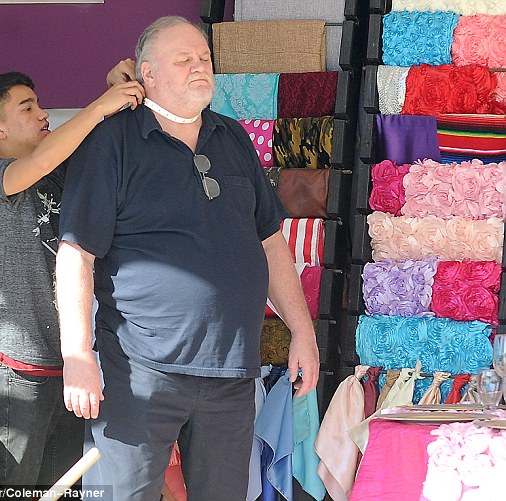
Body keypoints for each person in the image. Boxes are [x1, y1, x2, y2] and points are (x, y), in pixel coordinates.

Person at [55, 15, 320, 501]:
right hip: (139, 370)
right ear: (148, 74)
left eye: (204, 58)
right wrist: (77, 356)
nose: (200, 67)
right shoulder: (112, 141)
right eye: (184, 60)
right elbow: (76, 253)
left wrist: (302, 331)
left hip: (231, 371)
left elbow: (270, 243)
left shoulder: (233, 138)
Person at [0, 63, 144, 488]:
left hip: (73, 365)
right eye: (27, 108)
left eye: (39, 104)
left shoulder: (60, 172)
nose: (43, 114)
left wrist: (113, 92)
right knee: (17, 488)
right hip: (18, 364)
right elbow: (45, 156)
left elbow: (83, 145)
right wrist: (100, 104)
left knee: (64, 487)